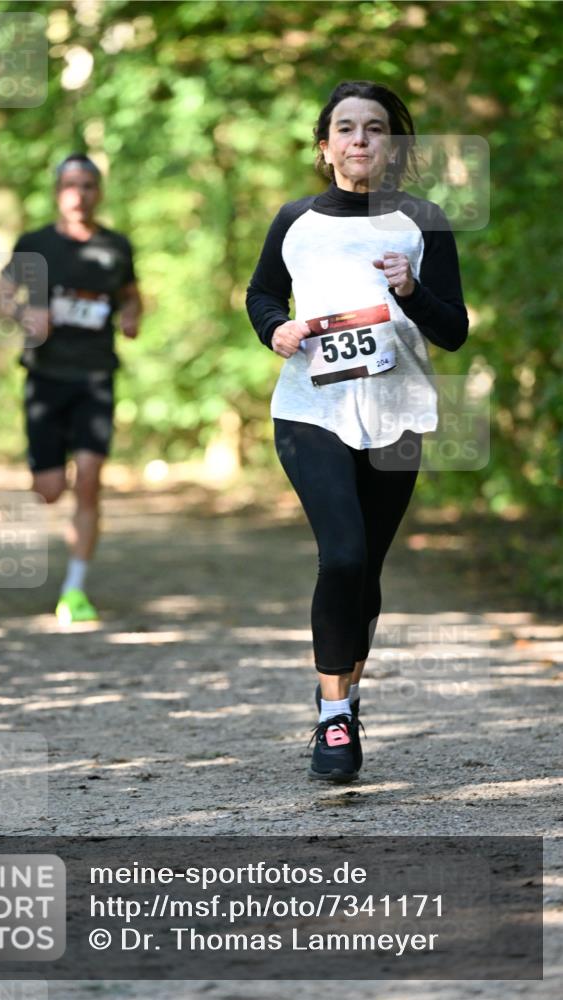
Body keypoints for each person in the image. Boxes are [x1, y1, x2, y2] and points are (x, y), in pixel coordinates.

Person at [246, 81, 468, 782]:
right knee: (339, 556)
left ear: (390, 144)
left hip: (396, 412)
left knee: (366, 569)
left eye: (374, 128)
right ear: (324, 147)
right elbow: (260, 294)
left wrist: (411, 289)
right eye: (345, 128)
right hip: (309, 410)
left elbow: (454, 330)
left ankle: (342, 687)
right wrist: (272, 329)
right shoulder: (295, 220)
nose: (360, 139)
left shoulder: (420, 221)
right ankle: (333, 718)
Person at [0, 153, 142, 623]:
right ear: (58, 191)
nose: (78, 194)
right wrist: (25, 314)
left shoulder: (115, 246)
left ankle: (74, 588)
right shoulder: (35, 244)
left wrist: (131, 316)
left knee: (89, 484)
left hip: (96, 376)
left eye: (87, 185)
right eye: (69, 185)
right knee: (49, 489)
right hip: (45, 378)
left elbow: (131, 295)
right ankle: (48, 485)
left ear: (98, 192)